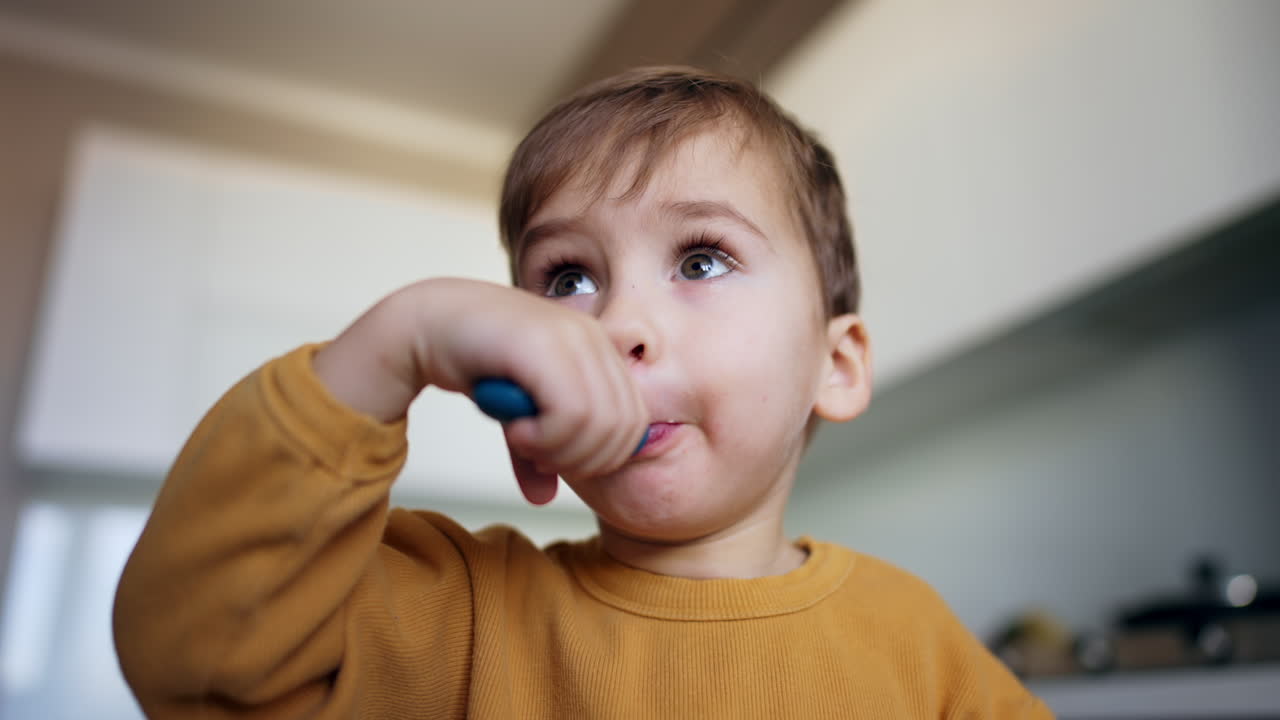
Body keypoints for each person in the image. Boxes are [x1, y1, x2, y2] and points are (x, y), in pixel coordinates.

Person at [114, 66, 1053, 719]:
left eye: (701, 256)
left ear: (835, 366)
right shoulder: (464, 614)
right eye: (567, 279)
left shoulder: (915, 641)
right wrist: (401, 337)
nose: (614, 324)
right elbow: (198, 659)